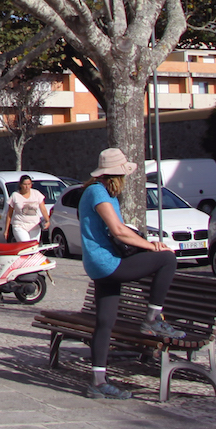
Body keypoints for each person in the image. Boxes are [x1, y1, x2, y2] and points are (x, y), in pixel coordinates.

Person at [78, 149, 185, 400]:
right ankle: (152, 318)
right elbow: (118, 231)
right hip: (107, 263)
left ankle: (98, 382)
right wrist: (153, 246)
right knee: (167, 259)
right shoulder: (97, 192)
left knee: (105, 321)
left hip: (99, 264)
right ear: (116, 175)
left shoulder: (100, 192)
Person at [2, 174, 50, 243]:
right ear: (20, 185)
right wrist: (6, 230)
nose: (27, 187)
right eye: (25, 184)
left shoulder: (36, 193)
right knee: (26, 246)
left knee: (34, 247)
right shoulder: (15, 195)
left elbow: (43, 209)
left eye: (29, 184)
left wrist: (47, 221)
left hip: (34, 225)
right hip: (20, 225)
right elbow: (9, 214)